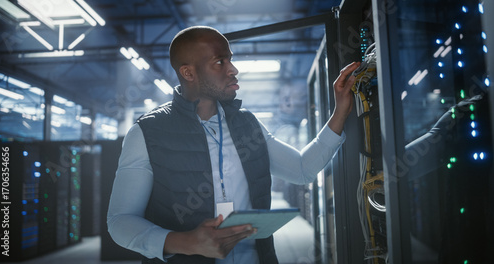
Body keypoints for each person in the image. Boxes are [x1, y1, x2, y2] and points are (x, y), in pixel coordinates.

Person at [107, 25, 360, 264]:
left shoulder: (248, 125)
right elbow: (120, 221)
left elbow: (302, 169)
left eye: (230, 59)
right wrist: (185, 242)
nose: (233, 69)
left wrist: (340, 111)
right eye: (220, 62)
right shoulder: (147, 132)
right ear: (188, 73)